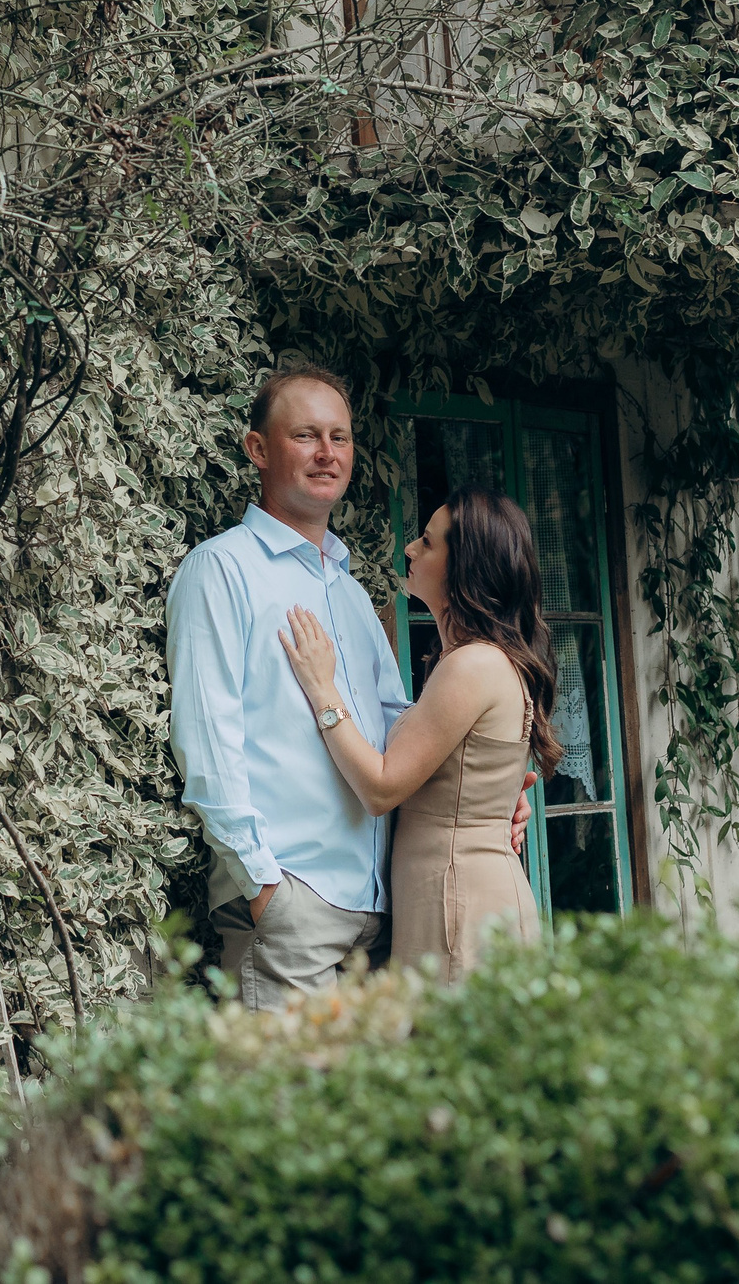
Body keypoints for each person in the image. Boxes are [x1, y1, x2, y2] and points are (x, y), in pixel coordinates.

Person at [167, 365, 529, 1010]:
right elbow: (207, 741)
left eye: (340, 437)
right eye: (306, 435)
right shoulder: (221, 570)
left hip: (380, 917)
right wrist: (263, 886)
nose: (327, 453)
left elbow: (399, 731)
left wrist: (481, 794)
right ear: (258, 449)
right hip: (293, 906)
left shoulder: (353, 594)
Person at [277, 485, 558, 982]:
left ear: (464, 567)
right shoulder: (474, 659)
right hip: (451, 895)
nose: (409, 549)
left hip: (459, 906)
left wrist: (323, 689)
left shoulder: (473, 665)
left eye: (427, 542)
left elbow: (382, 787)